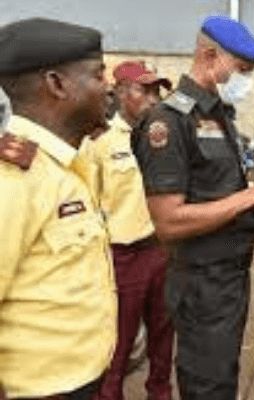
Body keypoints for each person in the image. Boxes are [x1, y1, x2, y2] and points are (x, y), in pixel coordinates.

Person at [132, 16, 254, 400]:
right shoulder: (168, 122)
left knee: (222, 374)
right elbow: (168, 222)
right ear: (209, 56)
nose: (247, 81)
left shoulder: (219, 115)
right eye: (242, 70)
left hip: (228, 277)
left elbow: (218, 187)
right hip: (201, 280)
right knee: (207, 383)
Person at [0, 18, 117, 400]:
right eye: (99, 75)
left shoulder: (65, 164)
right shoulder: (14, 177)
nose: (109, 86)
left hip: (81, 382)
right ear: (57, 84)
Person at [88, 61, 175, 400]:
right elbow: (90, 203)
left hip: (163, 249)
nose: (153, 99)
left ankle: (160, 393)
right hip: (124, 256)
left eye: (157, 91)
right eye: (144, 90)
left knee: (164, 336)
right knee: (119, 343)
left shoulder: (164, 138)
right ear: (121, 93)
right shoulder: (100, 143)